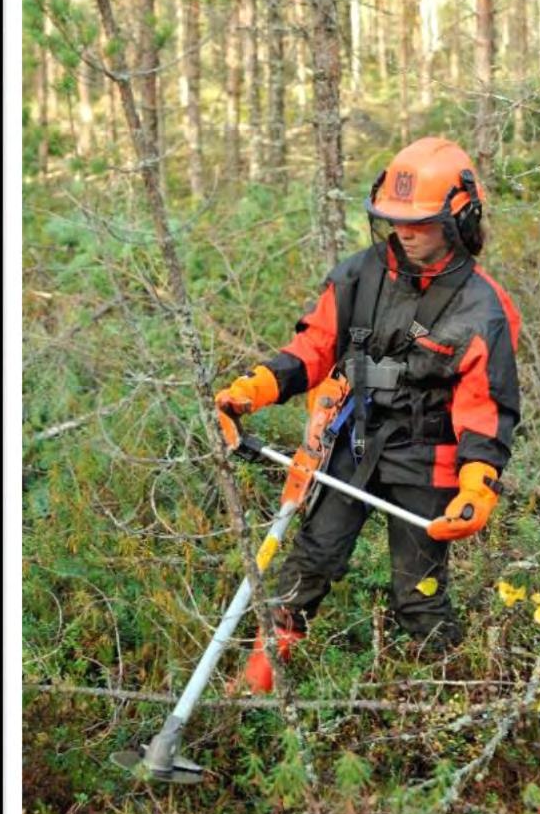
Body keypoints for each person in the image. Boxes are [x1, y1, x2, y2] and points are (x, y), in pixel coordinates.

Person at [216, 136, 521, 692]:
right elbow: (314, 347)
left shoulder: (484, 309)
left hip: (429, 462)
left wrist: (478, 486)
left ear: (459, 219)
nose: (404, 232)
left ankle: (452, 711)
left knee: (419, 599)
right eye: (394, 220)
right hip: (351, 444)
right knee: (307, 567)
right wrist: (253, 389)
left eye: (420, 222)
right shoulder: (357, 275)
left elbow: (486, 408)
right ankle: (253, 693)